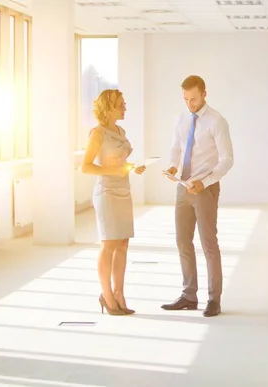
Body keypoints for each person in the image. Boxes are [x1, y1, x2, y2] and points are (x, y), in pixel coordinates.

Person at [161, 75, 234, 317]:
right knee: (182, 241)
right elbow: (176, 148)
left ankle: (214, 299)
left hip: (205, 188)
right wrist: (173, 167)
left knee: (208, 244)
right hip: (183, 187)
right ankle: (188, 296)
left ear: (204, 93)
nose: (189, 104)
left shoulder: (217, 121)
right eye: (185, 99)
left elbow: (227, 160)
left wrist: (205, 182)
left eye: (193, 99)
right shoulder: (181, 118)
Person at [81, 89, 146, 316]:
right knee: (109, 245)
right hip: (107, 192)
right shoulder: (98, 133)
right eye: (121, 104)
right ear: (108, 108)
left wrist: (132, 166)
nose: (125, 108)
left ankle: (119, 293)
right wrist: (116, 170)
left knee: (123, 244)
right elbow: (86, 166)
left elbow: (121, 161)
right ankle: (106, 295)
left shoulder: (120, 130)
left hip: (123, 190)